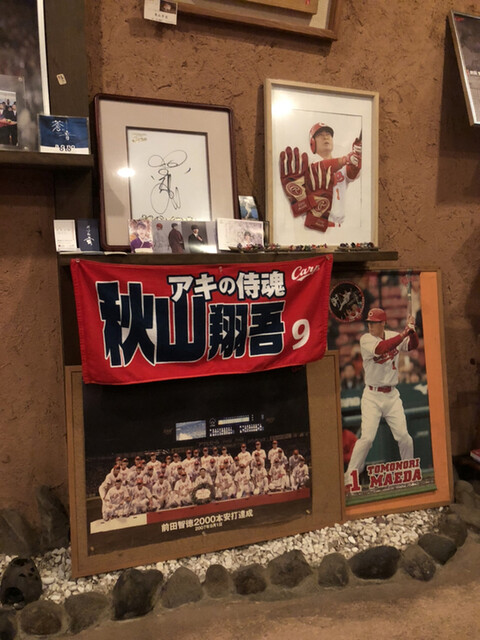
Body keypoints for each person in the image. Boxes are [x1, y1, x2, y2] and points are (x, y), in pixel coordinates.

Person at [344, 307, 419, 490]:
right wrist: (404, 333)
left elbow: (412, 346)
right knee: (367, 439)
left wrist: (413, 332)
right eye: (369, 323)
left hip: (392, 395)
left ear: (383, 323)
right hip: (372, 395)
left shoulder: (393, 335)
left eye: (375, 323)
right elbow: (381, 348)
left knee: (404, 437)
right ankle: (349, 478)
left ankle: (409, 473)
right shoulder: (366, 339)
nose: (371, 326)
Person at [279, 123, 361, 232]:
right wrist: (345, 159)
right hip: (313, 229)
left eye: (328, 134)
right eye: (320, 135)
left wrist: (358, 155)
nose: (325, 137)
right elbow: (321, 167)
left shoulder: (342, 167)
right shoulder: (309, 165)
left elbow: (353, 172)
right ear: (312, 142)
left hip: (339, 228)